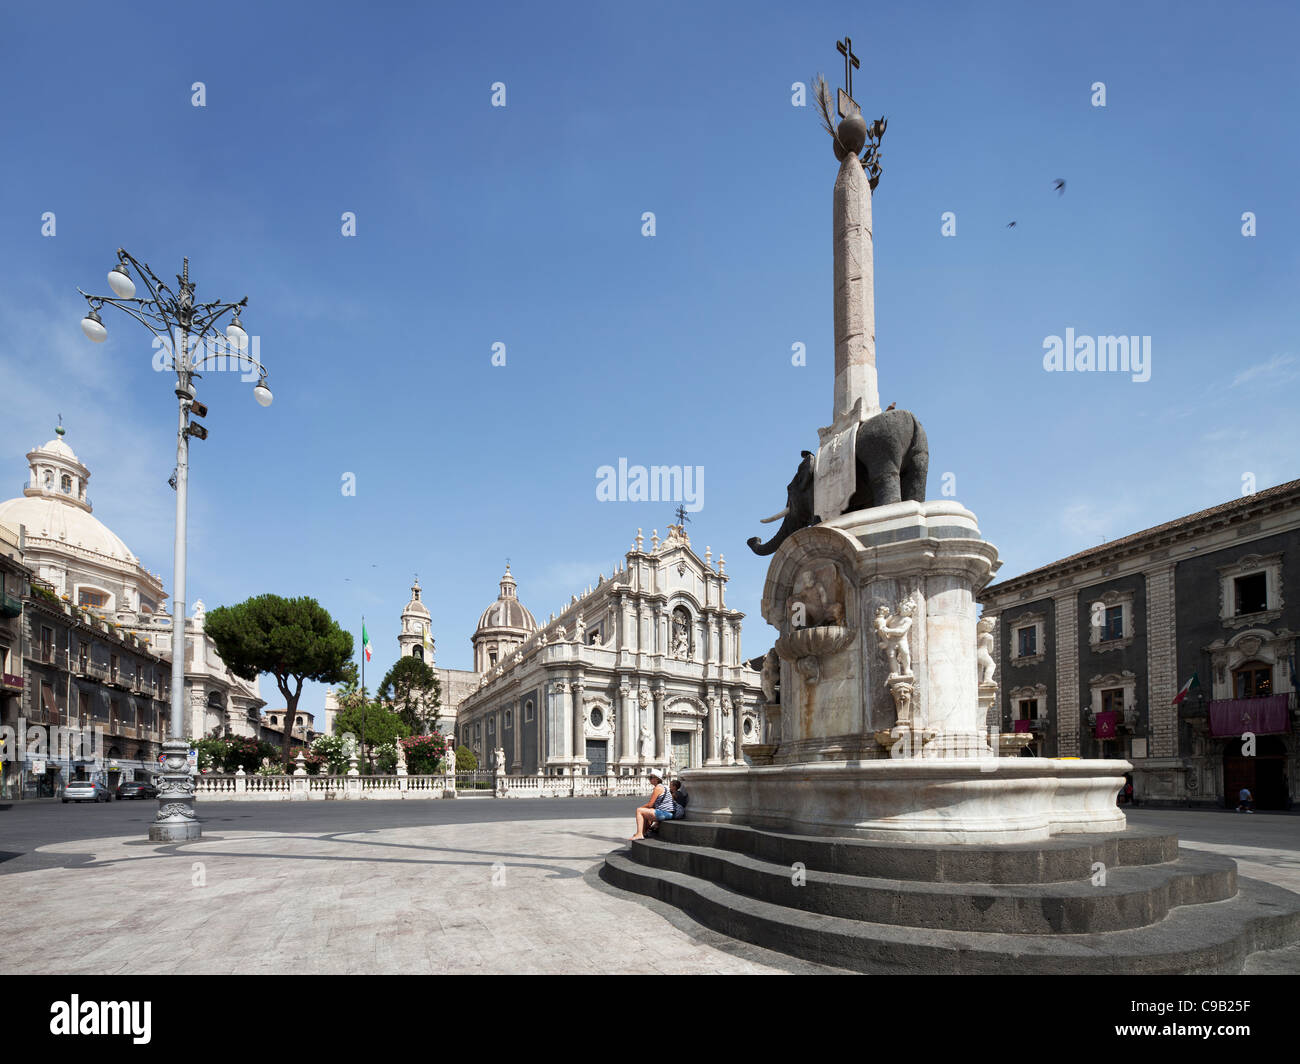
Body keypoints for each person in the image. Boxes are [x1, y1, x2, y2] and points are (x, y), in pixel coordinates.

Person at [631, 772, 674, 839]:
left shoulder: (658, 788)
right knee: (645, 811)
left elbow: (650, 804)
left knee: (639, 810)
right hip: (667, 813)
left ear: (656, 779)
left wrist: (640, 808)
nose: (649, 779)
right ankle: (643, 832)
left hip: (664, 813)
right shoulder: (663, 787)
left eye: (651, 778)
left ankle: (639, 834)